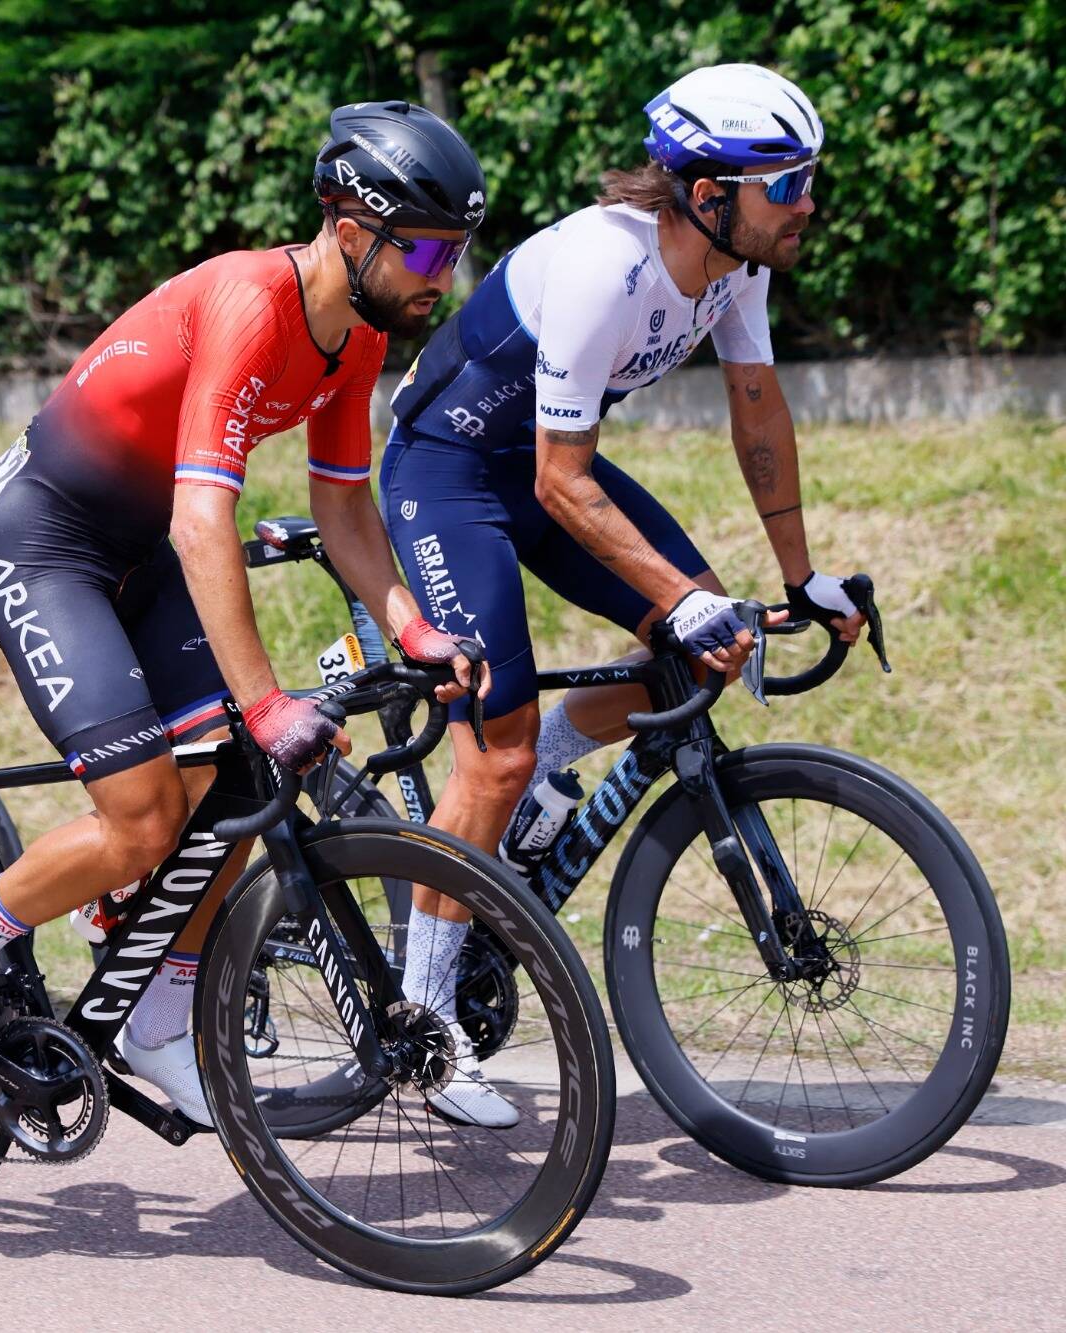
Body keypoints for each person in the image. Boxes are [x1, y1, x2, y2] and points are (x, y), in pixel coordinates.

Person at [0, 101, 489, 1126]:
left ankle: (160, 1013)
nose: (439, 275)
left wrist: (412, 626)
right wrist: (266, 699)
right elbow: (200, 520)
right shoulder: (249, 301)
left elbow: (343, 505)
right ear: (349, 231)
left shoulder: (357, 335)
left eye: (451, 251)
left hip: (138, 548)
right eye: (423, 249)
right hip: (42, 543)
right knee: (142, 818)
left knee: (238, 777)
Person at [381, 64, 865, 1125]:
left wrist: (800, 577)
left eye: (807, 180)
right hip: (448, 475)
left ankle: (544, 779)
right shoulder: (608, 265)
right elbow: (561, 482)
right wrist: (682, 596)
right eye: (787, 185)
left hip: (540, 471)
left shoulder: (737, 263)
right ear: (709, 195)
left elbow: (756, 409)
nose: (807, 204)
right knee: (492, 753)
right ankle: (423, 1025)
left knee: (709, 644)